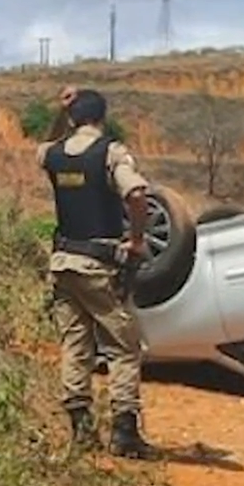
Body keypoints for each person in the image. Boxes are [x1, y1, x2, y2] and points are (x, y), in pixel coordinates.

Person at [38, 87, 160, 460]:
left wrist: (63, 113)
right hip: (98, 265)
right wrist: (137, 240)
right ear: (102, 118)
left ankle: (82, 433)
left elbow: (46, 146)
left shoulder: (54, 155)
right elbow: (137, 194)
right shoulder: (109, 153)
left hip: (62, 265)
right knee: (123, 347)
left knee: (75, 346)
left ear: (73, 119)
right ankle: (124, 434)